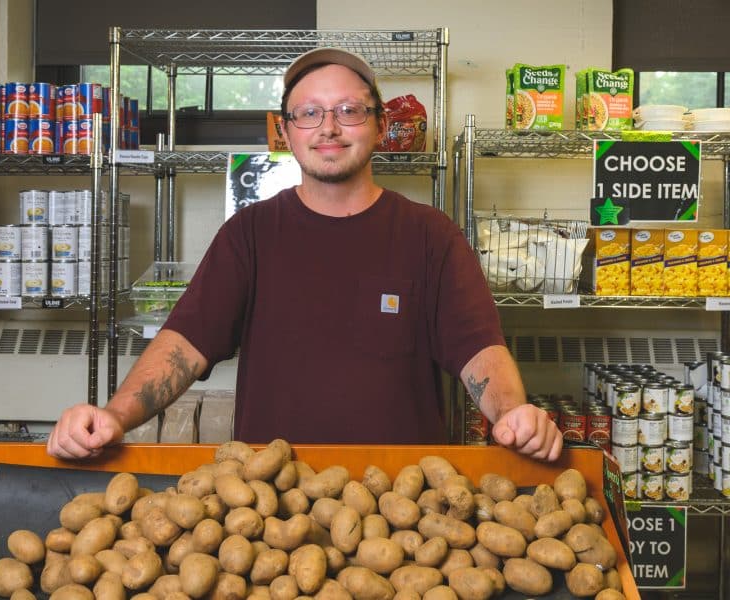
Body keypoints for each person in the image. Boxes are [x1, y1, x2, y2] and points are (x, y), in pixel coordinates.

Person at [47, 48, 563, 462]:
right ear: (286, 132)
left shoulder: (432, 237)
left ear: (380, 127)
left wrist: (513, 412)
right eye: (309, 113)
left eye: (349, 110)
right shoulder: (249, 234)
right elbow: (184, 344)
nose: (329, 127)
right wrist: (114, 416)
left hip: (405, 508)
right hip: (272, 509)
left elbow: (479, 350)